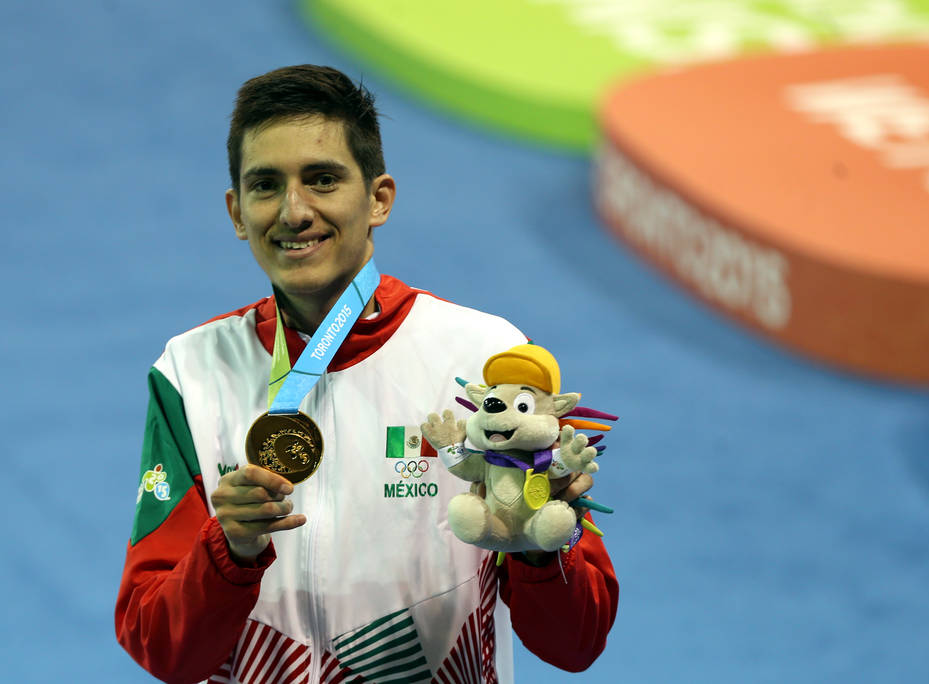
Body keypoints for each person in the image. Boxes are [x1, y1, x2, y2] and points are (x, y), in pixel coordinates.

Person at [115, 65, 618, 684]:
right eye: (266, 185)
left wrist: (540, 548)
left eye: (322, 180)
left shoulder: (486, 361)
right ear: (237, 212)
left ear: (378, 198)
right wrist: (231, 552)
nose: (294, 211)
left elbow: (576, 642)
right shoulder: (191, 372)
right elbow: (162, 649)